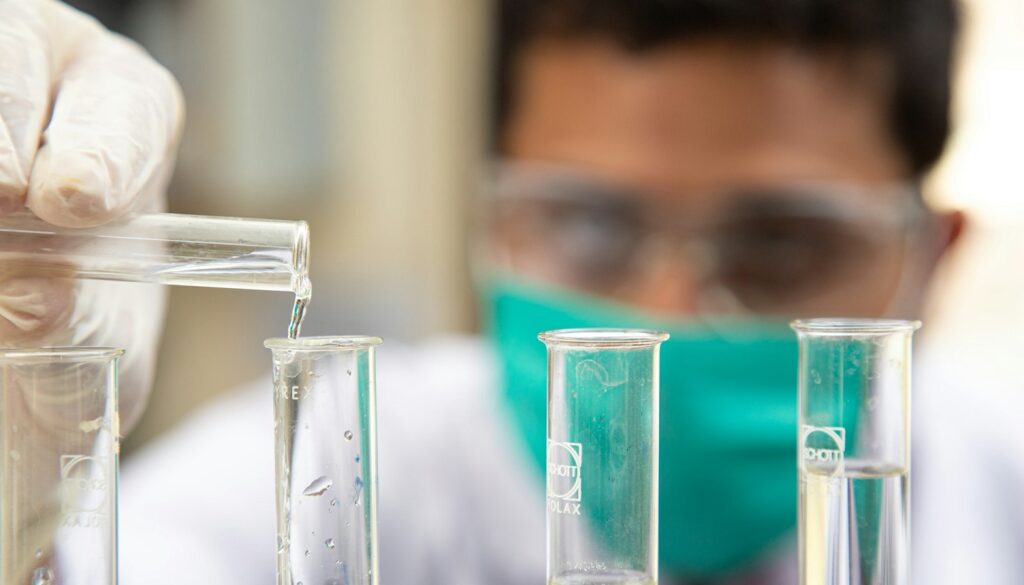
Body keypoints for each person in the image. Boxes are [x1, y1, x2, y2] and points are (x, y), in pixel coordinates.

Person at [2, 0, 1022, 583]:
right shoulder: (343, 461)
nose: (667, 309)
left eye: (779, 245)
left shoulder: (1004, 490)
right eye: (590, 227)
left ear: (932, 257)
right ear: (490, 224)